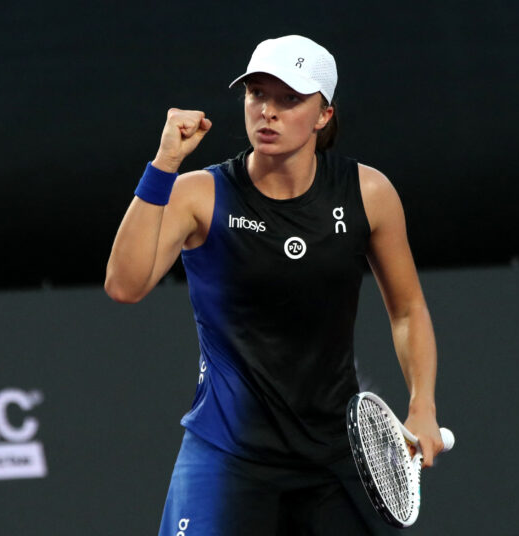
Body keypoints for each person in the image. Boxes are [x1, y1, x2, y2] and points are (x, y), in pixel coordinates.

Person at [105, 35, 444, 535]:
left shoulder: (368, 193)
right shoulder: (199, 194)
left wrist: (423, 407)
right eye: (256, 95)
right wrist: (164, 164)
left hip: (335, 455)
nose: (268, 112)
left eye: (289, 99)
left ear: (324, 115)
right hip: (226, 453)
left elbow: (408, 309)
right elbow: (124, 285)